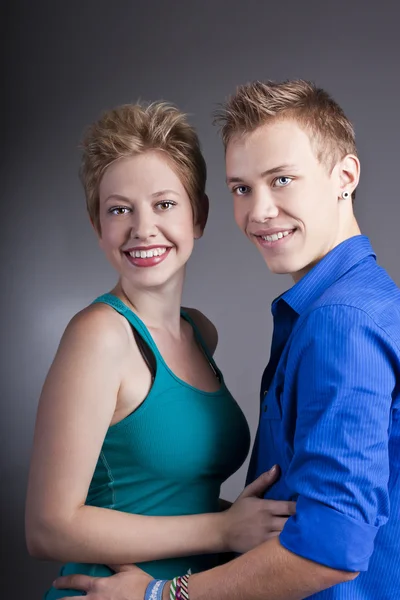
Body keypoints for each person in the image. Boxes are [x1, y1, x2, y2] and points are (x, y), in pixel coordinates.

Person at [54, 80, 400, 599]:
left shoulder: (342, 320)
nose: (259, 211)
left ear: (344, 177)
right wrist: (221, 526)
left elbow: (333, 545)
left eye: (282, 179)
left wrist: (160, 596)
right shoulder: (344, 306)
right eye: (242, 188)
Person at [25, 101, 296, 599]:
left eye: (164, 204)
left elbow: (167, 495)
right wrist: (223, 529)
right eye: (119, 209)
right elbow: (47, 527)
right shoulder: (100, 336)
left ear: (199, 215)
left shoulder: (201, 332)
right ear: (97, 225)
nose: (142, 228)